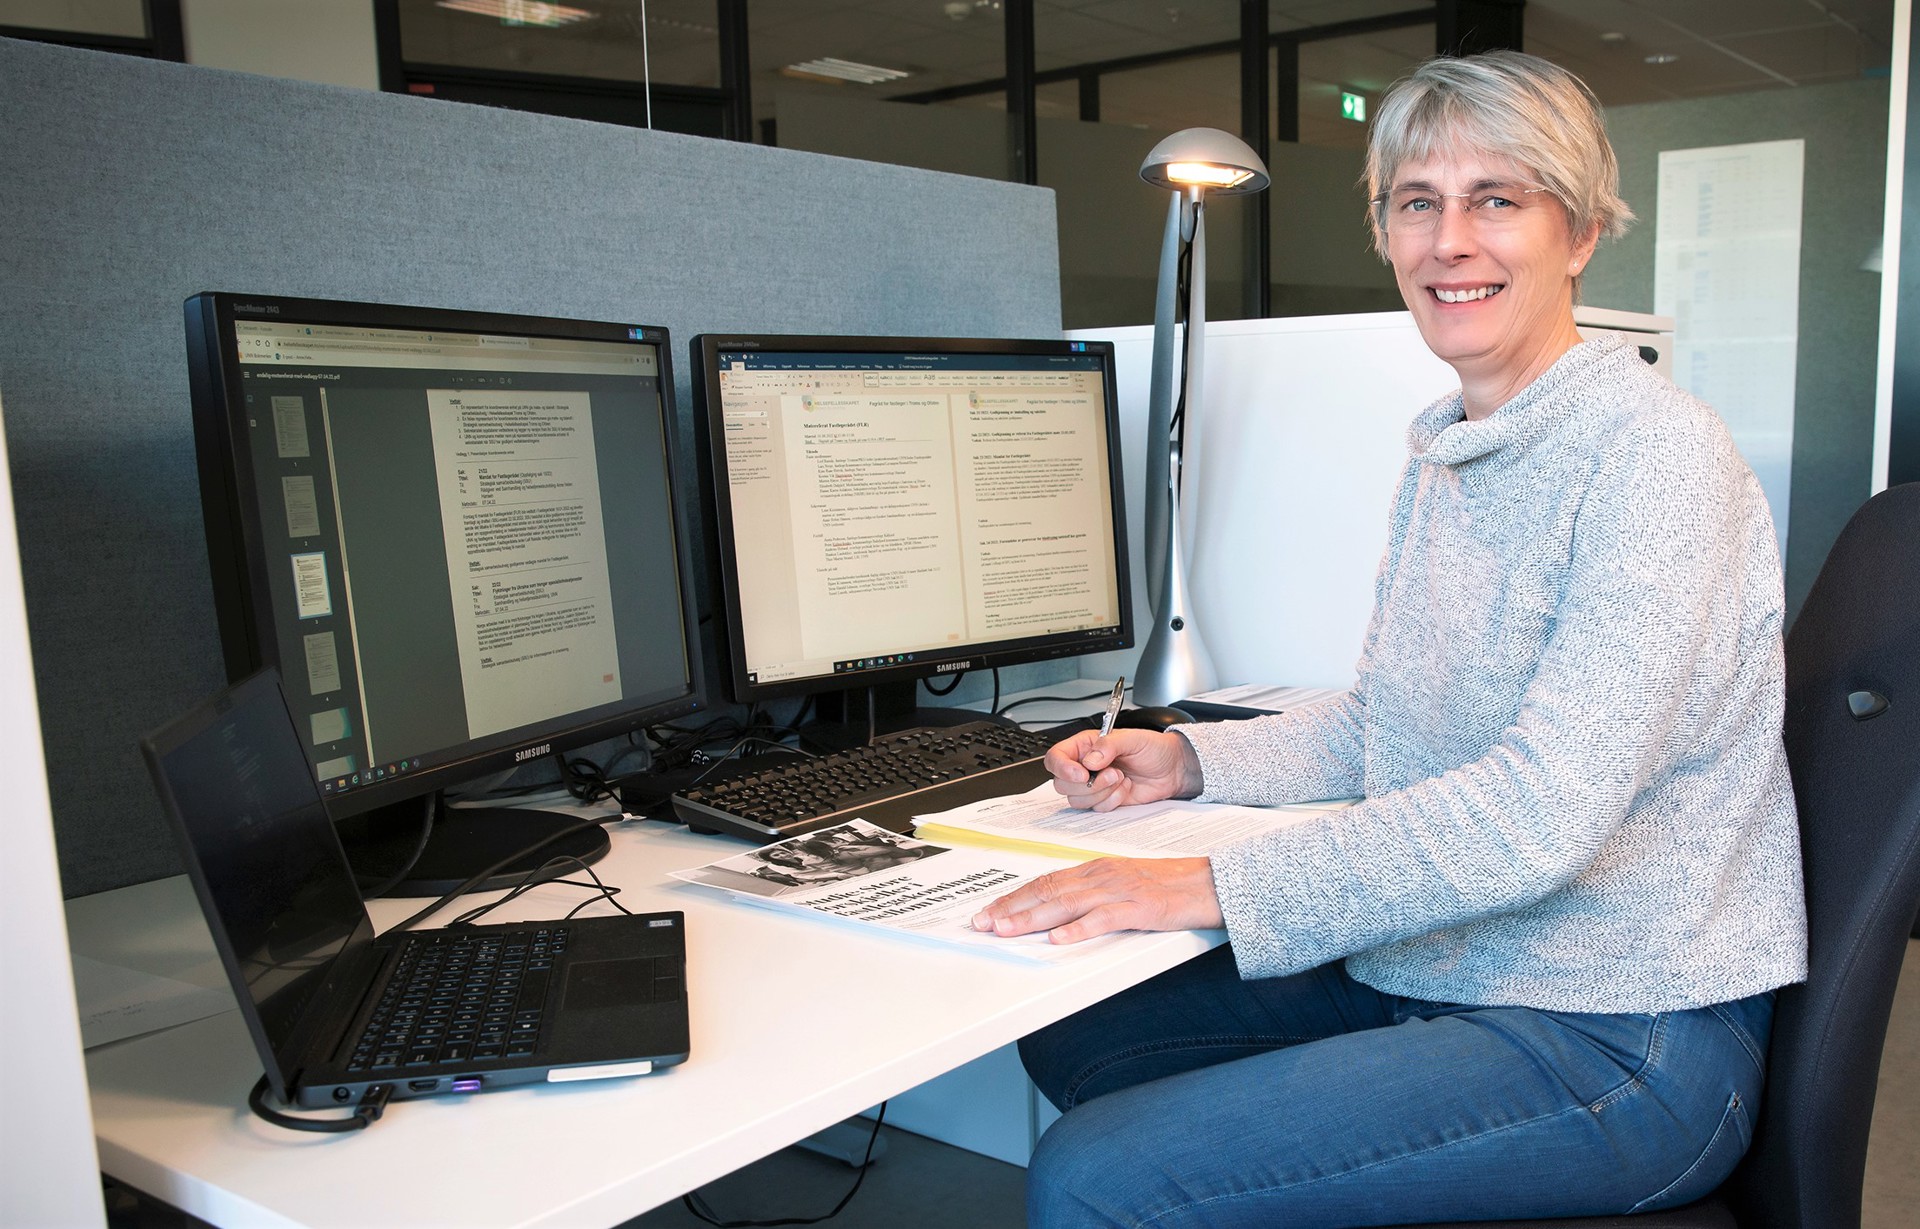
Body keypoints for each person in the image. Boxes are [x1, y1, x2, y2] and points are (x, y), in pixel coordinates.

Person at [973, 49, 1808, 1228]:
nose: (1449, 240)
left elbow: (1536, 812)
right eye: (1419, 202)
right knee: (1082, 1033)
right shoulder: (1451, 447)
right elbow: (1386, 720)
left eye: (1498, 199)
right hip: (1450, 964)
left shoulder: (1656, 458)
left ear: (1579, 233)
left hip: (1623, 1029)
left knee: (1100, 1176)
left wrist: (1201, 883)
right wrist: (1194, 759)